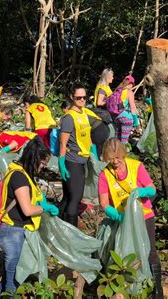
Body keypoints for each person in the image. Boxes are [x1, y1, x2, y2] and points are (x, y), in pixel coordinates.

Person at [98, 138, 163, 299]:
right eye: (111, 159)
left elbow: (152, 189)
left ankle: (157, 291)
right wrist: (116, 215)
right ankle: (131, 289)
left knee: (150, 251)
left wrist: (142, 192)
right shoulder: (105, 175)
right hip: (122, 220)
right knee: (125, 253)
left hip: (144, 216)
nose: (115, 162)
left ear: (123, 154)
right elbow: (104, 203)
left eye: (118, 158)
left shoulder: (136, 167)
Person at [0, 137, 58, 295]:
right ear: (34, 159)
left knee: (11, 274)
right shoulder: (20, 177)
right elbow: (27, 210)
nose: (43, 167)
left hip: (17, 230)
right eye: (43, 164)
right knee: (12, 277)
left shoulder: (23, 173)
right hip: (12, 231)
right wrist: (45, 208)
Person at [58, 83, 91, 227]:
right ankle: (72, 230)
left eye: (84, 97)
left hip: (82, 158)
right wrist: (61, 162)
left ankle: (59, 224)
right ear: (72, 97)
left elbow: (87, 134)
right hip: (72, 162)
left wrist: (93, 150)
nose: (82, 100)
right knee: (75, 198)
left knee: (68, 197)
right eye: (79, 98)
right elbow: (62, 143)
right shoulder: (69, 118)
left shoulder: (83, 112)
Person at [112, 75, 139, 144]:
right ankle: (122, 153)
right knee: (124, 141)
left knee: (117, 139)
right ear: (130, 84)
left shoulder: (117, 91)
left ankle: (115, 153)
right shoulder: (129, 92)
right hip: (126, 118)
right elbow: (132, 108)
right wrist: (136, 122)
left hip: (116, 117)